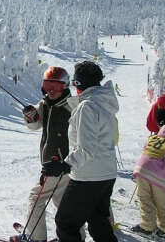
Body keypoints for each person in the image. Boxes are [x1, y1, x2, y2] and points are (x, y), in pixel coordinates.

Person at [43, 61, 119, 242]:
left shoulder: (87, 107)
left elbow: (87, 148)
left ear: (78, 83)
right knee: (98, 221)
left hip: (88, 176)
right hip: (106, 173)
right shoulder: (104, 103)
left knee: (65, 223)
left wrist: (64, 165)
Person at [12, 67, 83, 242]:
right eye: (47, 85)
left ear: (65, 86)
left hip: (60, 165)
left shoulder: (71, 107)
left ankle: (36, 238)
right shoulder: (46, 104)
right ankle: (75, 237)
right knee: (63, 203)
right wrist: (30, 116)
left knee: (36, 198)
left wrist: (65, 162)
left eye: (56, 86)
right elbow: (35, 124)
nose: (51, 90)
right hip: (56, 165)